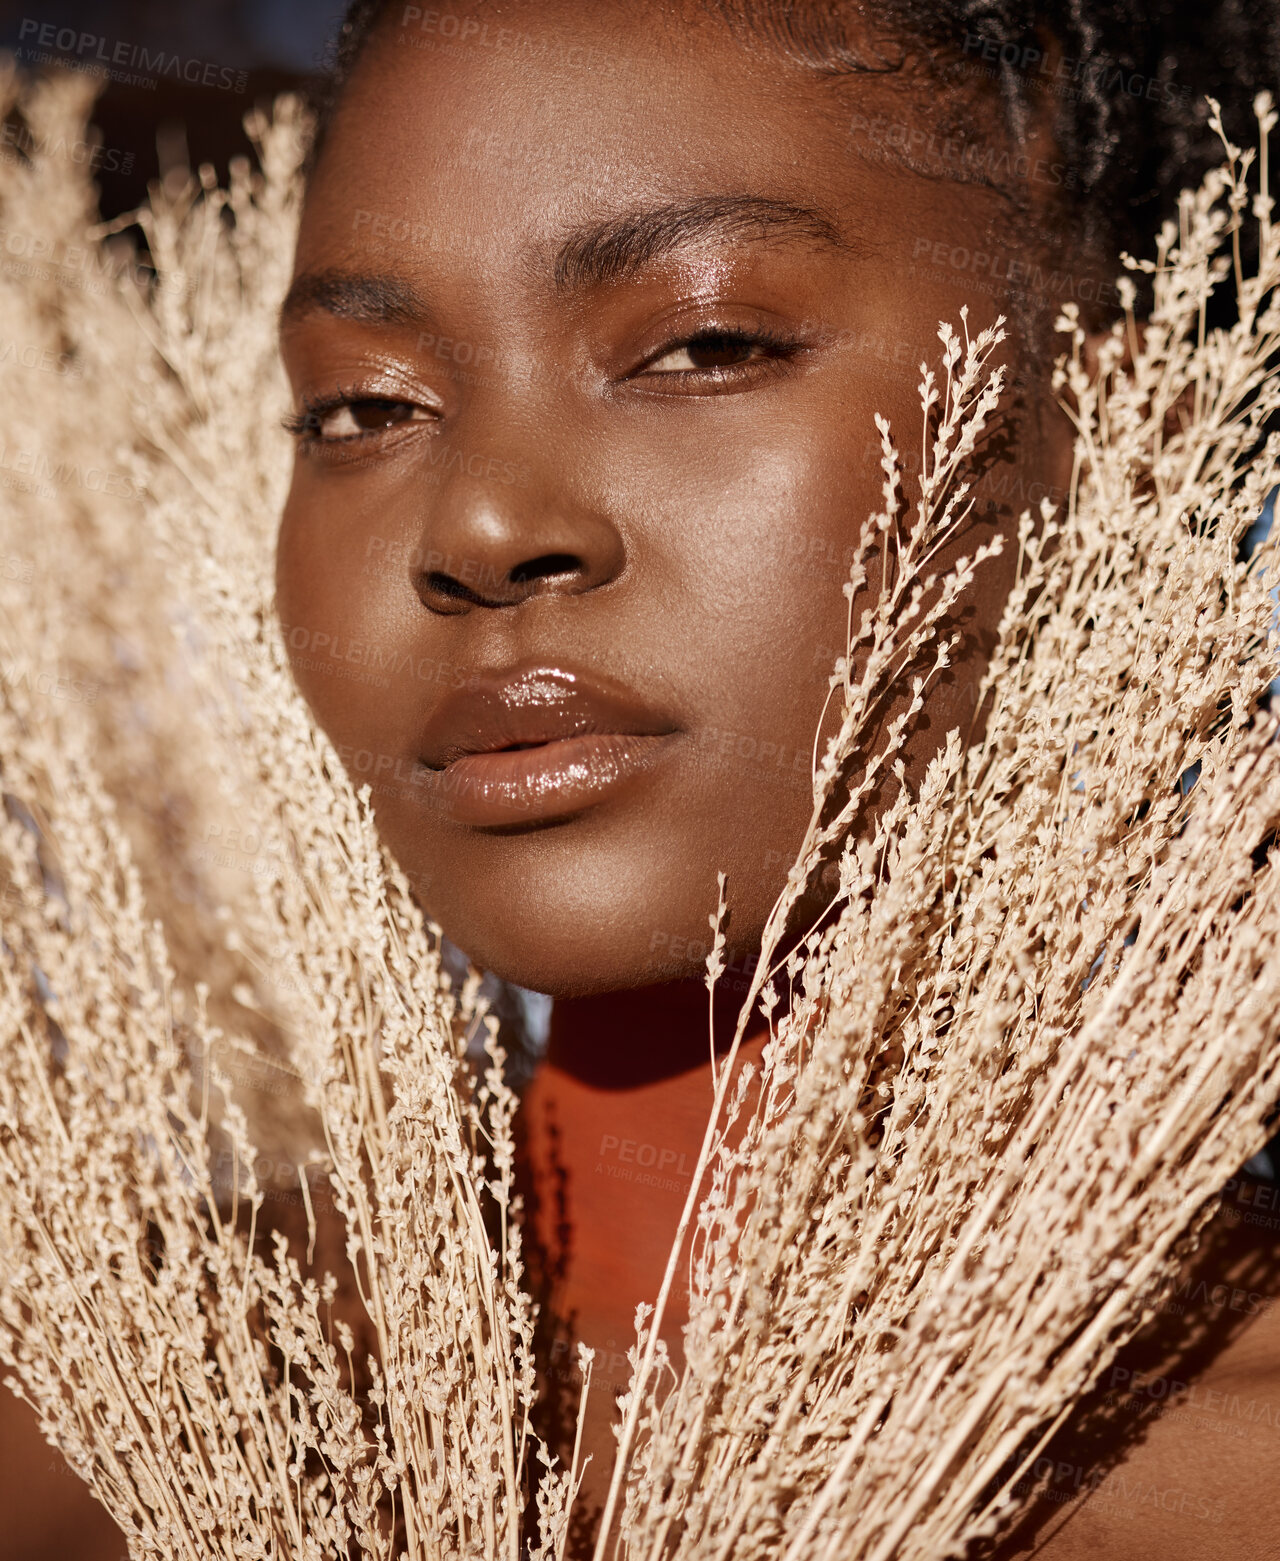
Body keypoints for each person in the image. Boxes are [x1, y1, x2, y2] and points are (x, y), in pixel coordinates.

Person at [268, 1, 1280, 1554]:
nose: (477, 526)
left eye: (703, 344)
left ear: (1131, 439)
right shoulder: (104, 1392)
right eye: (367, 405)